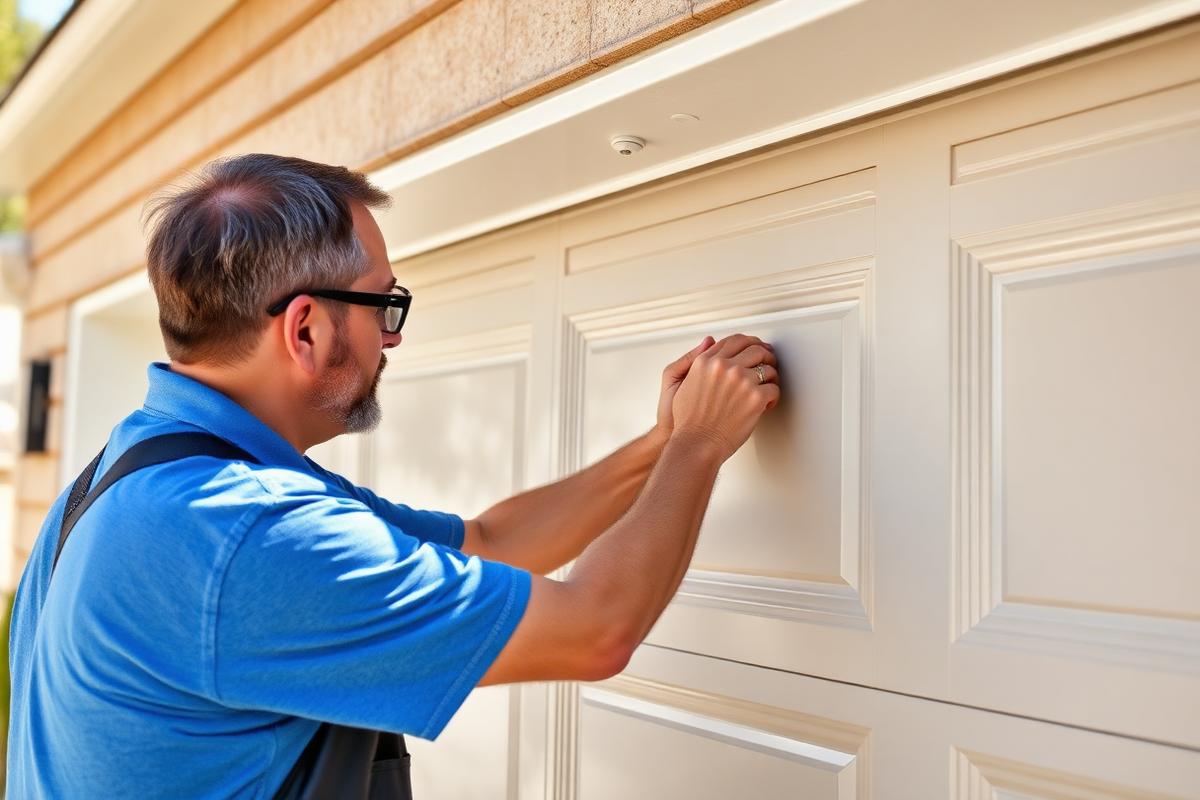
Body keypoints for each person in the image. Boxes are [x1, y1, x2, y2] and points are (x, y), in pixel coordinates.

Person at [6, 154, 780, 797]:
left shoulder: (136, 476)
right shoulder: (244, 531)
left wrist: (660, 440)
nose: (391, 338)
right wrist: (699, 450)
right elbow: (595, 629)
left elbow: (489, 541)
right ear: (305, 328)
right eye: (384, 304)